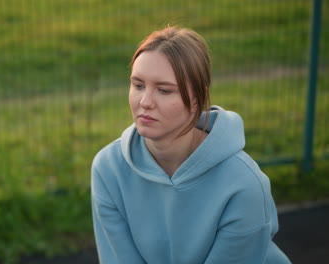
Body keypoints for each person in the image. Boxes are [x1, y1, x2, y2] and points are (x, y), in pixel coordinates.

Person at [91, 25, 291, 263]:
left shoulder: (244, 186)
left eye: (164, 90)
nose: (145, 102)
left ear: (196, 99)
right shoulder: (109, 169)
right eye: (138, 85)